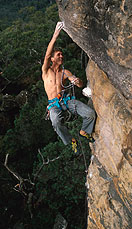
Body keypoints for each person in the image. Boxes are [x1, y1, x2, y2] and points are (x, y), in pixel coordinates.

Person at [42, 22, 96, 154]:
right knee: (56, 122)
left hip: (66, 101)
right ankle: (71, 140)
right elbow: (47, 55)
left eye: (62, 55)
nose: (61, 56)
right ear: (53, 59)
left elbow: (80, 84)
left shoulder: (65, 72)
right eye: (58, 55)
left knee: (90, 114)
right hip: (53, 105)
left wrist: (76, 81)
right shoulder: (46, 71)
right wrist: (56, 34)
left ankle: (84, 132)